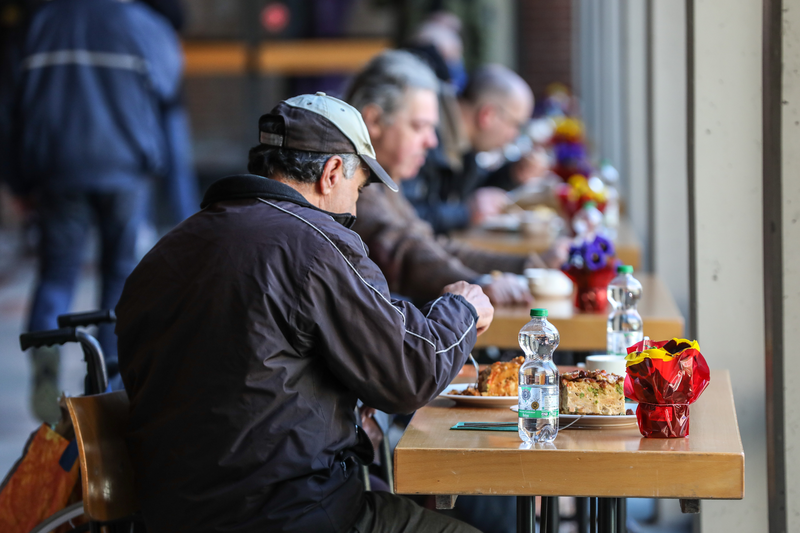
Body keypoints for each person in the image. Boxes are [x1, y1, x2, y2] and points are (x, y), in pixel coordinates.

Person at [115, 92, 493, 533]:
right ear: (332, 173)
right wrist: (462, 309)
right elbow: (412, 372)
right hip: (289, 515)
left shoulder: (167, 250)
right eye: (359, 189)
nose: (354, 209)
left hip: (170, 516)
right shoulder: (315, 245)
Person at [0, 0, 193, 423]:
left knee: (56, 273)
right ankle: (110, 378)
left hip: (58, 170)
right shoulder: (144, 25)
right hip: (125, 172)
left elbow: (8, 111)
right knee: (120, 278)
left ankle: (45, 352)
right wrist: (185, 211)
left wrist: (18, 181)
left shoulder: (39, 23)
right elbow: (170, 113)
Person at [345, 50, 558, 306]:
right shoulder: (347, 181)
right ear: (374, 120)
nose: (431, 140)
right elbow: (404, 253)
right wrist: (477, 284)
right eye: (418, 126)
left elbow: (432, 246)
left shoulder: (380, 176)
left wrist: (529, 264)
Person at [404, 63, 550, 233]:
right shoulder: (426, 135)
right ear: (488, 115)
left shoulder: (462, 138)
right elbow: (404, 218)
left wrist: (513, 173)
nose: (514, 136)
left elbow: (473, 188)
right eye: (515, 125)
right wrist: (465, 213)